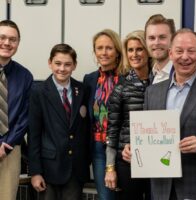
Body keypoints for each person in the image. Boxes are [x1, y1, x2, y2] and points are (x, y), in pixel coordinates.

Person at [144, 28, 196, 200]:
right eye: (179, 51)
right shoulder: (152, 92)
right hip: (161, 188)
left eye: (191, 51)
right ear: (171, 54)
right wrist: (134, 149)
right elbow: (145, 134)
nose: (185, 57)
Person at [28, 44, 90, 200]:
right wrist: (35, 172)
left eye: (67, 64)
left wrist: (85, 160)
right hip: (48, 169)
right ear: (50, 63)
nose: (62, 68)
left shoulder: (82, 90)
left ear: (74, 65)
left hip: (75, 170)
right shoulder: (39, 92)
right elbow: (33, 135)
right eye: (58, 63)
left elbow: (86, 129)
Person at [104, 30, 151, 200]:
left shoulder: (163, 82)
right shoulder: (121, 87)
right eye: (130, 50)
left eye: (139, 49)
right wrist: (110, 167)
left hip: (157, 160)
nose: (134, 54)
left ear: (148, 51)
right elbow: (112, 129)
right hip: (128, 161)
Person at [83, 29, 123, 200]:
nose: (104, 53)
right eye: (99, 48)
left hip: (122, 148)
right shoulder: (89, 79)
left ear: (117, 52)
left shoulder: (127, 77)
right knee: (105, 197)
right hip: (99, 148)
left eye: (109, 48)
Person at [0, 20, 33, 200]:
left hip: (9, 151)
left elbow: (24, 116)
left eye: (12, 39)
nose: (7, 43)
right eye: (2, 37)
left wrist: (7, 144)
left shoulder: (25, 76)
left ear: (18, 43)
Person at [144, 14, 175, 84]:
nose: (156, 43)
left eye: (162, 37)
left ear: (173, 39)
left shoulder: (184, 75)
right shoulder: (152, 74)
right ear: (145, 41)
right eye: (152, 38)